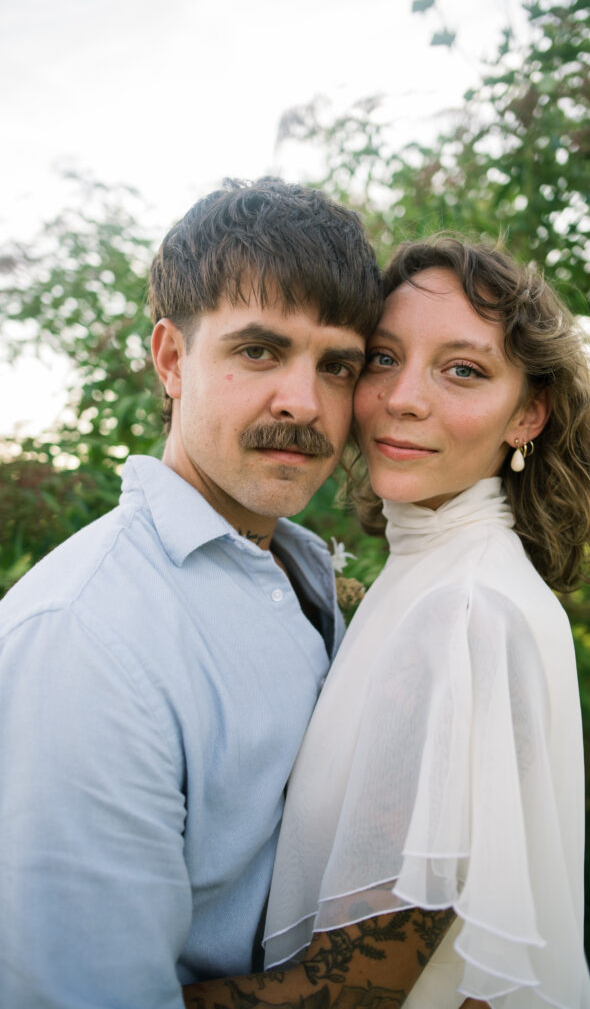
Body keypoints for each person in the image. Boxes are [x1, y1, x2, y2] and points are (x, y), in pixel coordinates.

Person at [182, 236, 590, 1008]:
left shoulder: (464, 612)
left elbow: (353, 991)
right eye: (384, 359)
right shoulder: (424, 572)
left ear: (527, 413)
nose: (402, 398)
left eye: (462, 370)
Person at [0, 177, 384, 1008]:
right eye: (259, 351)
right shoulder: (87, 640)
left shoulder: (302, 566)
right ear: (171, 359)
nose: (303, 402)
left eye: (337, 365)